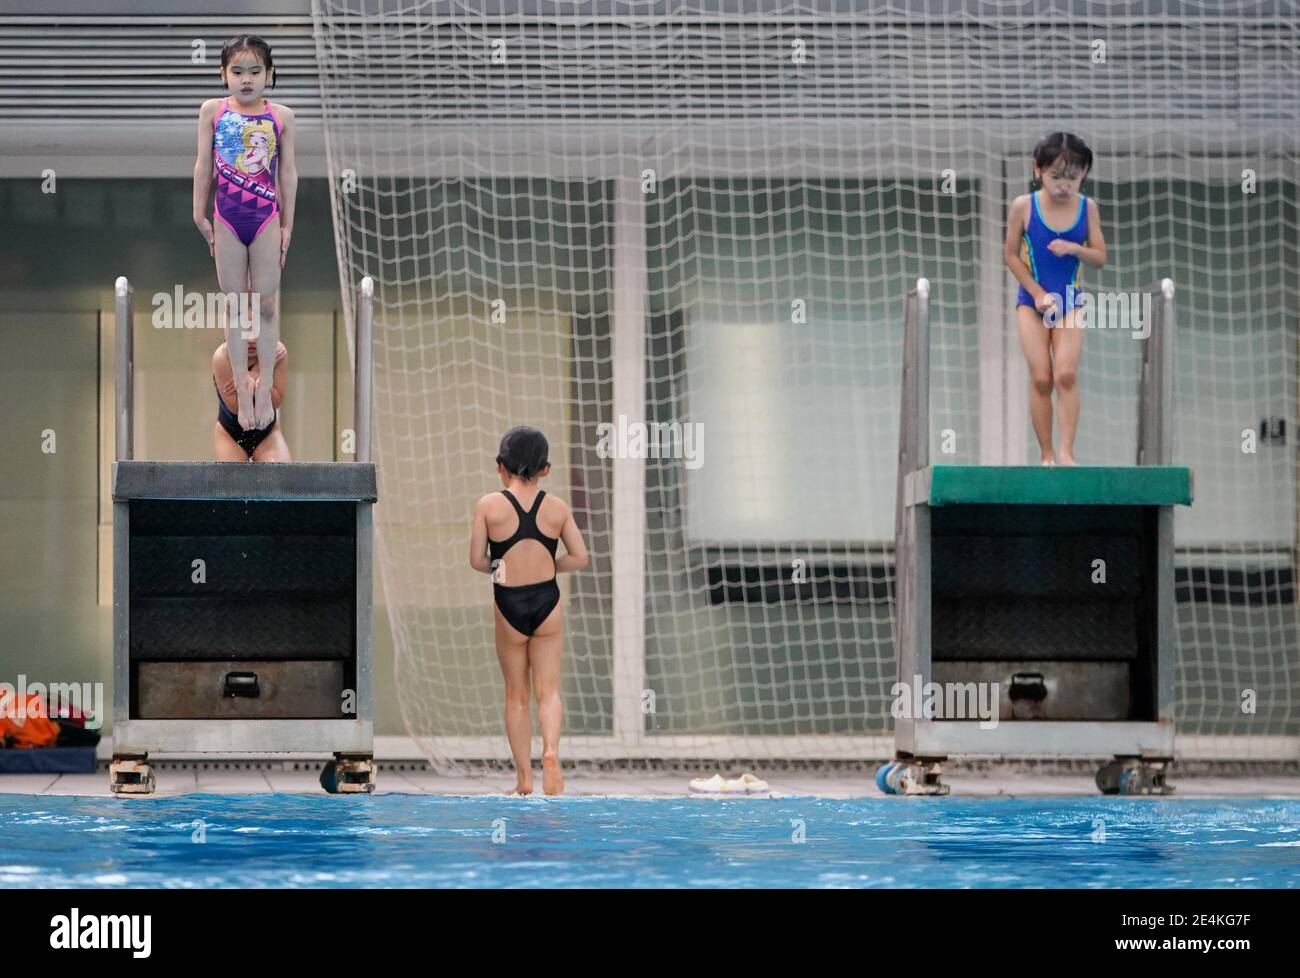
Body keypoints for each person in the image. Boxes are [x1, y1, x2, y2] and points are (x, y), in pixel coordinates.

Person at [468, 427, 589, 795]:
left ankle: (524, 779)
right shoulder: (556, 508)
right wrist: (551, 567)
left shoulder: (489, 505)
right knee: (548, 691)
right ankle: (551, 753)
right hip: (548, 602)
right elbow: (581, 557)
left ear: (499, 467)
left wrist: (501, 567)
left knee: (516, 694)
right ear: (546, 469)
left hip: (509, 604)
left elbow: (476, 560)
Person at [193, 34, 297, 440]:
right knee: (235, 304)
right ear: (223, 75)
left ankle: (265, 389)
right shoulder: (212, 112)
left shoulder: (282, 116)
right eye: (237, 71)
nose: (247, 79)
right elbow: (204, 165)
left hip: (266, 215)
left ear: (269, 75)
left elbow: (287, 172)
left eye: (255, 71)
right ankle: (241, 387)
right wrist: (198, 213)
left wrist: (288, 223)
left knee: (267, 304)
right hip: (227, 217)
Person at [1003, 131, 1107, 466]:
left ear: (1083, 176)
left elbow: (1100, 256)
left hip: (1070, 303)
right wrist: (1036, 293)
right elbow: (1010, 256)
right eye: (1056, 176)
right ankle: (1047, 452)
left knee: (1066, 374)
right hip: (1032, 304)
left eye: (1073, 178)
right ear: (1037, 171)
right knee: (1042, 378)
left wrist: (1076, 248)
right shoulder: (1023, 207)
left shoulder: (1087, 208)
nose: (1064, 185)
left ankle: (1067, 452)